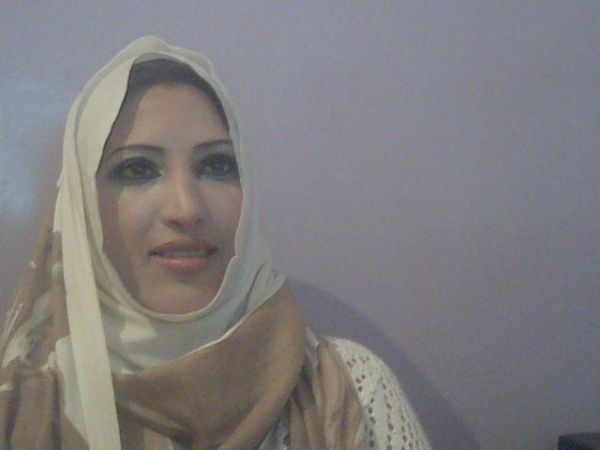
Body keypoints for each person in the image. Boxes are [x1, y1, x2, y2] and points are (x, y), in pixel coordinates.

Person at [0, 37, 431, 449]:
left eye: (216, 165)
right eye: (138, 170)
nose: (186, 209)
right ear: (82, 208)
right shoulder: (19, 407)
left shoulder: (355, 392)